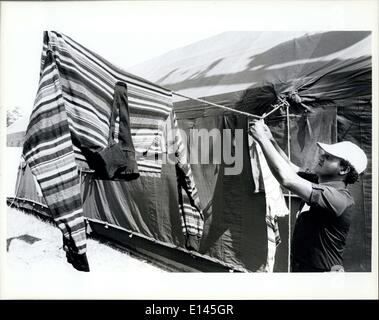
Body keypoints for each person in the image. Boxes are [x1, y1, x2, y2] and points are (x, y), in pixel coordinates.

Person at [249, 119, 368, 272]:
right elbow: (290, 168)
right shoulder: (320, 182)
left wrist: (261, 139)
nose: (321, 157)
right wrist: (271, 140)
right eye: (324, 154)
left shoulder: (339, 199)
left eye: (329, 157)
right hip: (304, 268)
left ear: (344, 170)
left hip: (321, 275)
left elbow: (287, 179)